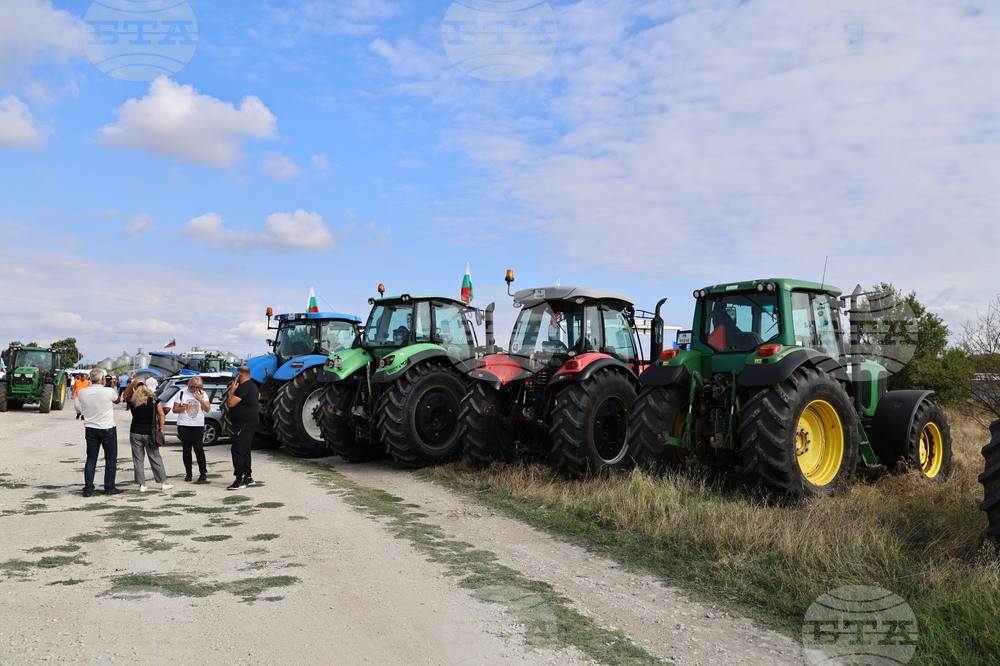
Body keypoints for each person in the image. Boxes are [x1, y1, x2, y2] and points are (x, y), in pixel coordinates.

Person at [77, 368, 123, 497]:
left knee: (91, 458)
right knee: (110, 459)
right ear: (103, 379)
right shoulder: (108, 391)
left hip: (90, 427)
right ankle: (109, 487)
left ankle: (88, 488)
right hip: (107, 427)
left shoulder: (82, 392)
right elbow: (117, 400)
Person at [123, 380, 172, 492]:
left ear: (135, 388)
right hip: (150, 432)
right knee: (155, 456)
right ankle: (163, 482)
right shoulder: (154, 399)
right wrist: (161, 428)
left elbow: (125, 395)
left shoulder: (133, 400)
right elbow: (161, 415)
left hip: (135, 432)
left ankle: (142, 484)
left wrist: (131, 385)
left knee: (138, 459)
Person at [225, 365, 259, 490]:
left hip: (245, 424)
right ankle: (248, 477)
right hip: (249, 423)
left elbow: (231, 402)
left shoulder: (244, 387)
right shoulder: (253, 385)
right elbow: (258, 397)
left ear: (240, 374)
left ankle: (239, 480)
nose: (235, 377)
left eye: (236, 374)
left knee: (237, 449)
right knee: (245, 449)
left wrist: (232, 390)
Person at [173, 376, 211, 482]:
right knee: (186, 449)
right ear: (190, 385)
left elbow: (207, 409)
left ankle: (203, 472)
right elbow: (174, 409)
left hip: (198, 424)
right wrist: (182, 408)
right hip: (184, 424)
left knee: (198, 449)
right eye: (194, 387)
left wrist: (200, 399)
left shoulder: (203, 394)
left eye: (198, 387)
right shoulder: (182, 393)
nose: (195, 389)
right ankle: (188, 473)